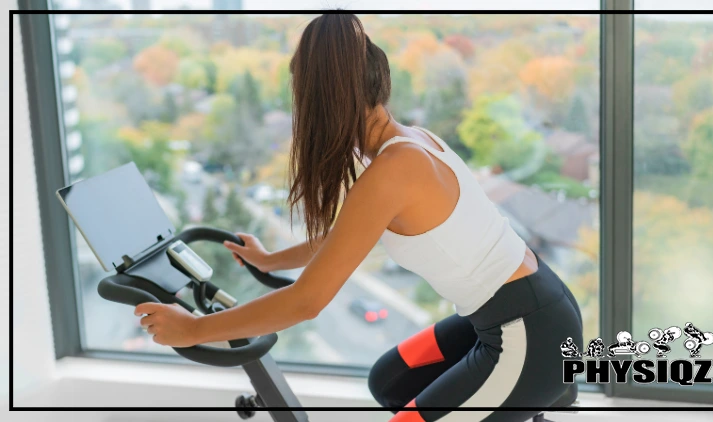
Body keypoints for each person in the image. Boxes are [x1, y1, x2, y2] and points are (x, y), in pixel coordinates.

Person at [135, 13, 583, 422]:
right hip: (515, 308)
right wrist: (272, 261)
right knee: (390, 383)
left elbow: (304, 303)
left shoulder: (394, 169)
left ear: (325, 103)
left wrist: (193, 329)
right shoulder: (408, 142)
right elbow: (349, 232)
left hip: (528, 333)